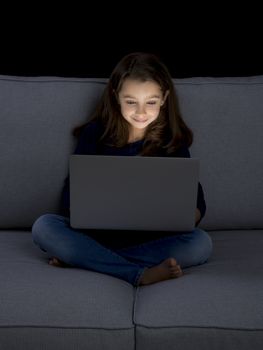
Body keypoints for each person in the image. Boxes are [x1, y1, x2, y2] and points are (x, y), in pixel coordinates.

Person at [32, 52, 213, 287]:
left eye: (151, 101)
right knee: (44, 227)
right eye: (131, 101)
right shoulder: (95, 134)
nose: (141, 112)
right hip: (96, 237)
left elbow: (196, 202)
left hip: (150, 242)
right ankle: (136, 273)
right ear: (116, 96)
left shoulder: (171, 140)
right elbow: (70, 198)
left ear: (164, 98)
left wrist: (185, 214)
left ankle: (86, 260)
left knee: (201, 243)